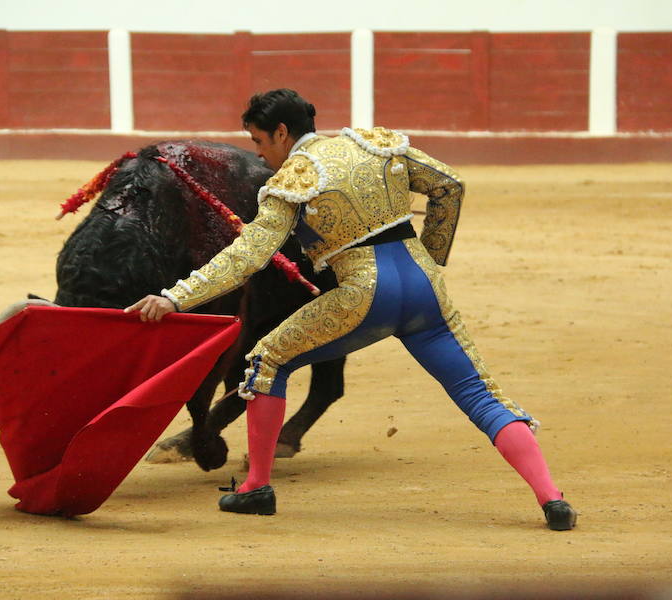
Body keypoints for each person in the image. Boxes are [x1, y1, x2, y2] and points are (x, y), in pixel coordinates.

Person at [126, 89, 576, 530]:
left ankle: (256, 488)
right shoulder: (373, 144)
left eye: (260, 141)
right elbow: (449, 186)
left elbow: (248, 255)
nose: (259, 154)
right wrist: (432, 255)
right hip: (425, 288)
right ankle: (551, 498)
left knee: (267, 359)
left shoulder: (293, 179)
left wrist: (177, 297)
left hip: (365, 294)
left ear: (281, 132)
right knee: (479, 394)